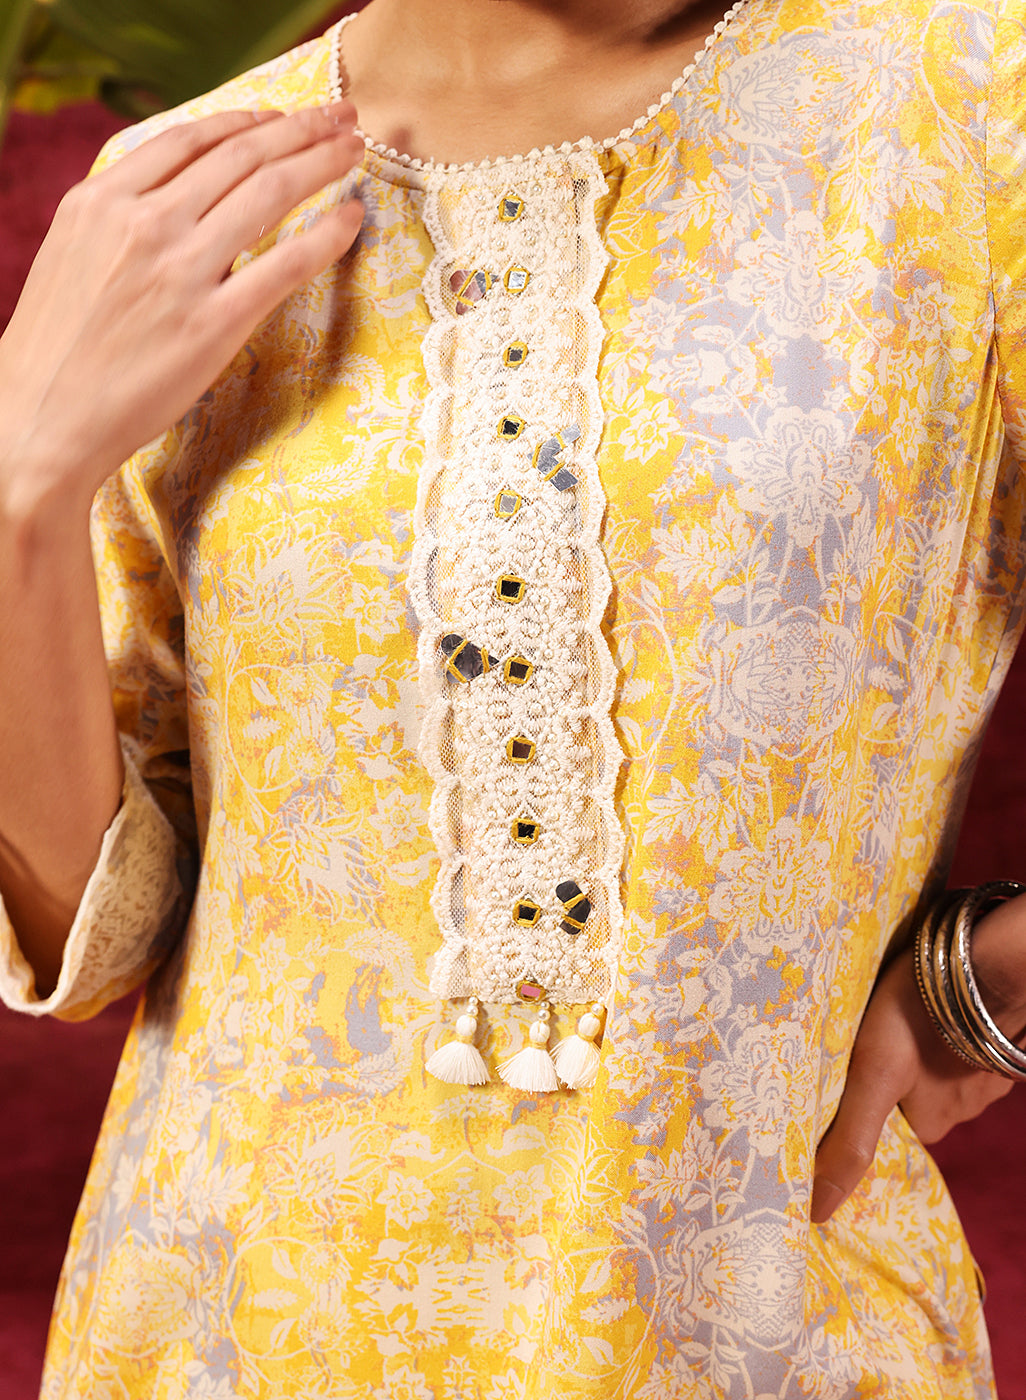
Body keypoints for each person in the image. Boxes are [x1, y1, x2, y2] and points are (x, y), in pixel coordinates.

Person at [1, 0, 1024, 1394]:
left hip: (750, 1334)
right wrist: (22, 495)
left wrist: (991, 980)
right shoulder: (184, 193)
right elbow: (104, 927)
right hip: (215, 1329)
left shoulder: (961, 102)